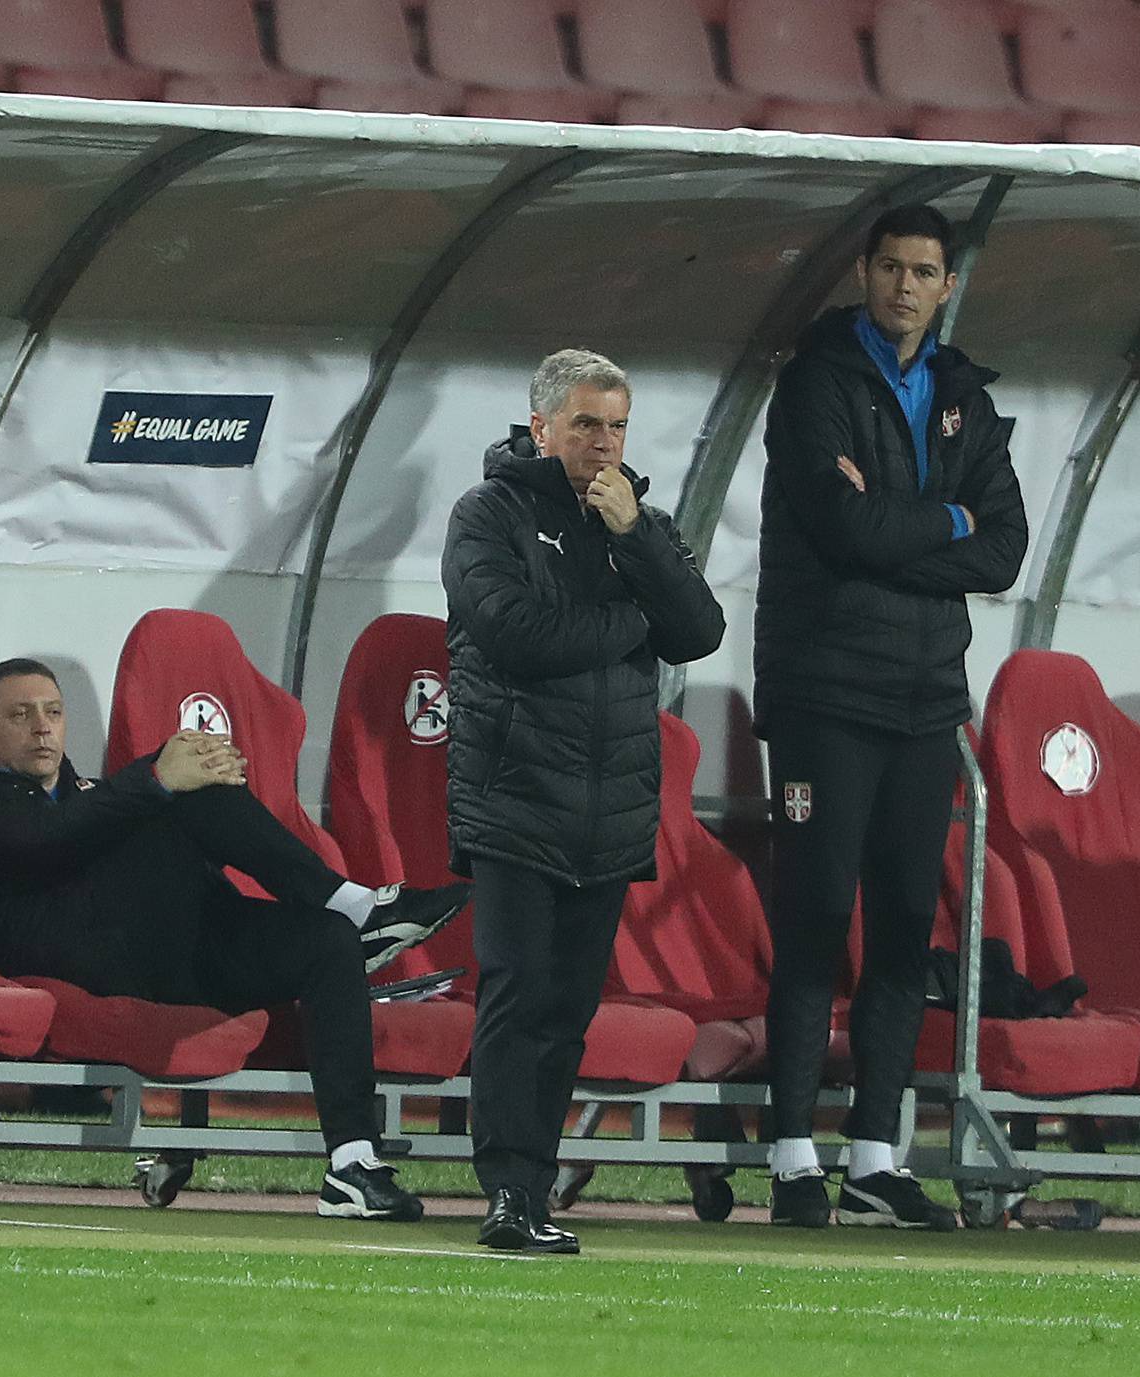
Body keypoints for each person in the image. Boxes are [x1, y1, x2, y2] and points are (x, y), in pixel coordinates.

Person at [0, 659, 470, 1220]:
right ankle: (355, 906)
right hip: (86, 958)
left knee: (326, 943)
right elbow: (47, 841)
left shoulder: (102, 795)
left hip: (182, 947)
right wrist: (159, 777)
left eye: (53, 713)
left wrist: (187, 775)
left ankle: (352, 1166)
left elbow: (119, 827)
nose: (42, 727)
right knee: (180, 784)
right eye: (21, 714)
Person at [755, 203, 1027, 1231]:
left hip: (925, 700)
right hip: (826, 691)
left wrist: (915, 523)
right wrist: (945, 518)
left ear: (946, 286)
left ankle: (875, 1155)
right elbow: (842, 527)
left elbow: (1003, 548)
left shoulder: (964, 396)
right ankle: (791, 1157)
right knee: (817, 919)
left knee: (908, 929)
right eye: (890, 268)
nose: (905, 287)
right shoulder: (816, 381)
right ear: (864, 274)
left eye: (924, 272)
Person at [443, 349, 725, 1254]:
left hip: (610, 809)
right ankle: (507, 1188)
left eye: (617, 426)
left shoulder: (642, 522)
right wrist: (632, 617)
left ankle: (536, 1188)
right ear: (541, 428)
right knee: (515, 994)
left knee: (567, 1012)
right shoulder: (488, 513)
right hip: (516, 793)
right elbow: (516, 635)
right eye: (586, 425)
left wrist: (638, 541)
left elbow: (702, 630)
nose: (605, 444)